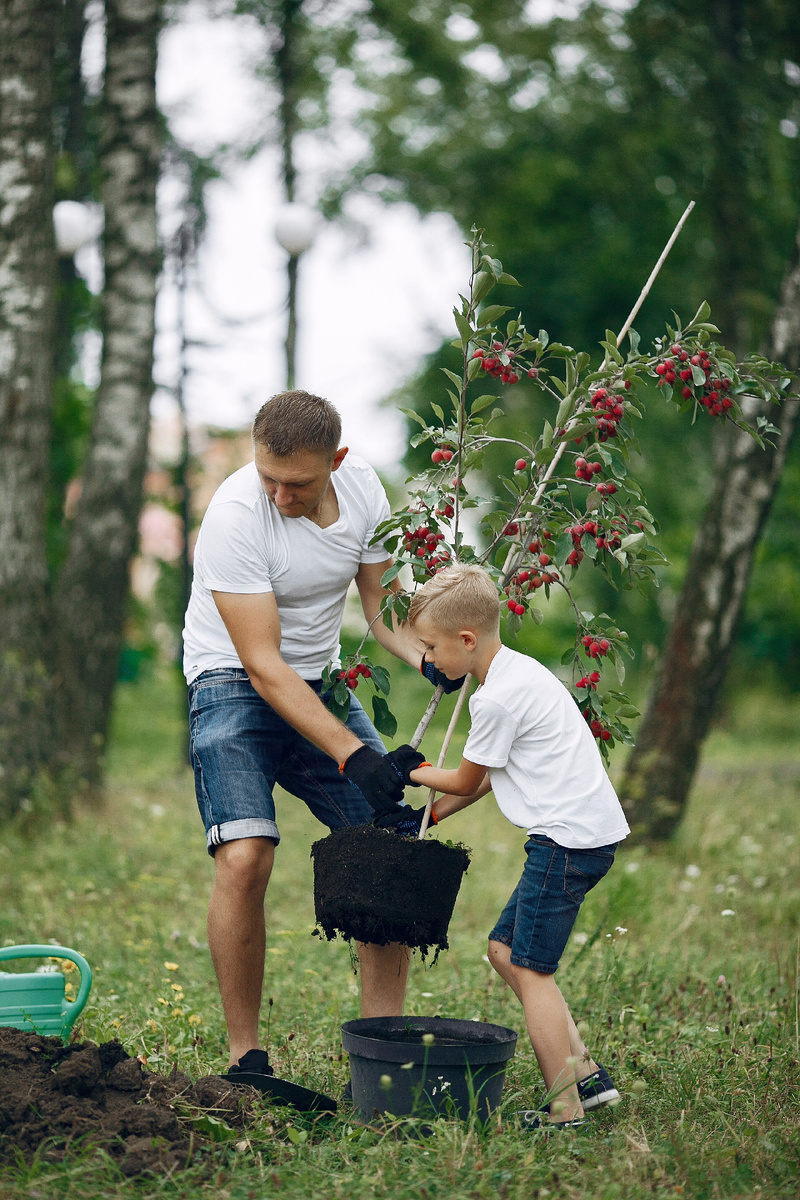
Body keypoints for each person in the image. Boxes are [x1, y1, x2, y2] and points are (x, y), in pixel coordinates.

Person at [182, 390, 454, 1078]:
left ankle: (382, 1046)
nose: (279, 496)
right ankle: (247, 1057)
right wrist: (355, 755)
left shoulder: (363, 489)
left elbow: (379, 603)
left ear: (336, 461)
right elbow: (264, 668)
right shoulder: (235, 516)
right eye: (268, 477)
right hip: (230, 681)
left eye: (297, 483)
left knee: (391, 842)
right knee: (245, 856)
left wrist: (427, 656)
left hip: (318, 680)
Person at [395, 562, 630, 1129]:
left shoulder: (497, 699)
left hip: (566, 841)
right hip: (576, 836)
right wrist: (423, 818)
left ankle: (566, 1110)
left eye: (430, 647)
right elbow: (478, 781)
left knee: (531, 970)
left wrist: (408, 767)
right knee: (505, 952)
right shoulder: (518, 673)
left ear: (466, 640)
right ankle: (588, 1078)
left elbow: (459, 777)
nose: (427, 660)